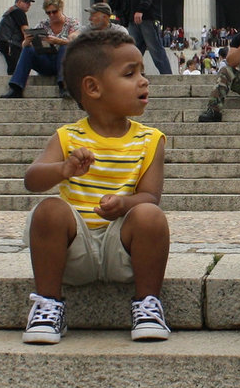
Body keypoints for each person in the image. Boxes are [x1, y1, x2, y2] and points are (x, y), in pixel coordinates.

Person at [20, 29, 171, 344]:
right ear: (93, 87)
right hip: (75, 250)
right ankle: (48, 304)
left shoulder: (150, 139)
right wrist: (63, 169)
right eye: (130, 73)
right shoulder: (67, 137)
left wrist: (125, 204)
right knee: (47, 211)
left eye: (143, 71)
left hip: (123, 248)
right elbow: (31, 179)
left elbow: (150, 196)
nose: (144, 80)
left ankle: (147, 304)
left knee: (150, 216)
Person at [3, 0, 77, 99]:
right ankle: (16, 87)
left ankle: (64, 86)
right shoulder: (43, 25)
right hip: (46, 61)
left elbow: (75, 40)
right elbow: (25, 46)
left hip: (65, 64)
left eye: (54, 12)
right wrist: (27, 41)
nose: (51, 15)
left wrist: (58, 41)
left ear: (61, 9)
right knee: (28, 49)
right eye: (48, 13)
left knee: (65, 47)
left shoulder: (72, 23)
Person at [0, 0, 34, 76]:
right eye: (26, 2)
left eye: (29, 2)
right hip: (10, 43)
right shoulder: (19, 12)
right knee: (15, 65)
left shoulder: (12, 10)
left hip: (3, 41)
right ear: (19, 2)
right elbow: (25, 30)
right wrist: (33, 42)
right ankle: (14, 83)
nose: (29, 4)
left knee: (13, 64)